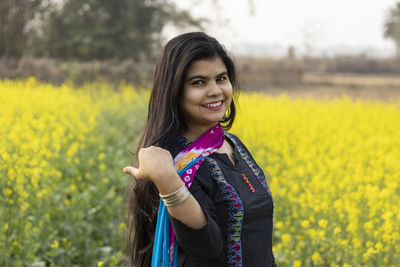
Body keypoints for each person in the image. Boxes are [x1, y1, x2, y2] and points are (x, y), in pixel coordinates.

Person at [123, 32, 276, 267]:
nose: (215, 90)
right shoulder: (172, 163)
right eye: (198, 82)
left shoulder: (233, 144)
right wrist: (168, 180)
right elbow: (207, 246)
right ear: (174, 91)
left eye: (221, 78)